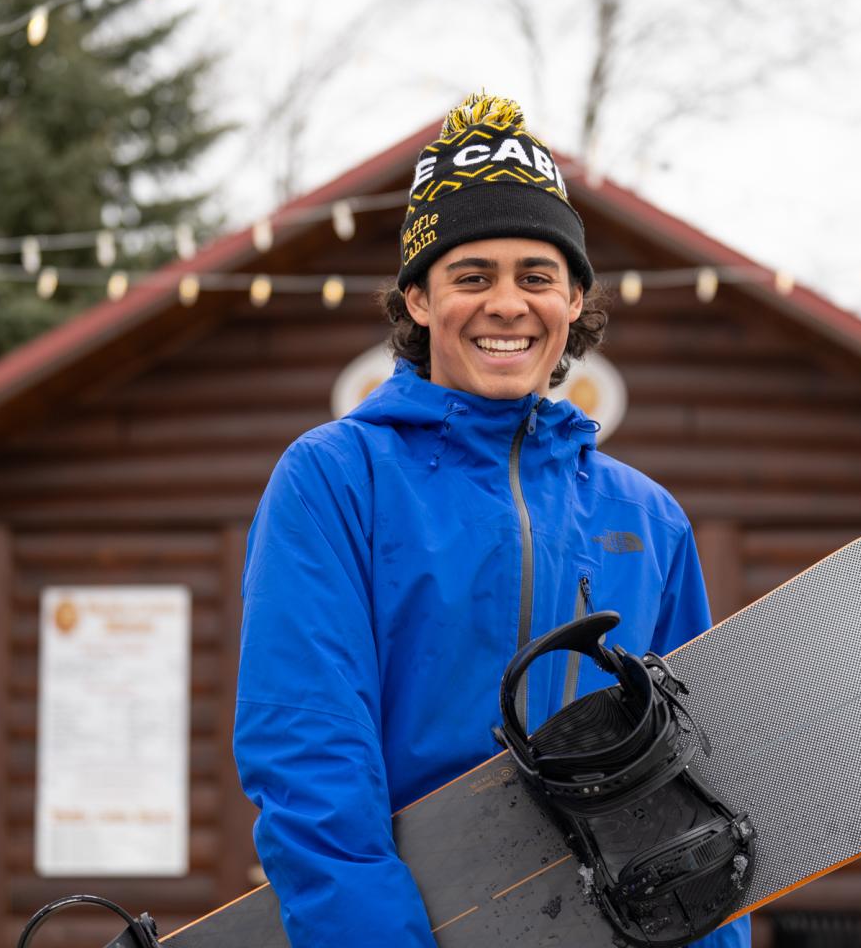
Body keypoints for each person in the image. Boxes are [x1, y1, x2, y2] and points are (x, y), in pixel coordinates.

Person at [233, 93, 752, 948]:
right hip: (414, 920)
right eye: (471, 277)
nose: (507, 304)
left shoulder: (647, 518)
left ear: (576, 299)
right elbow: (307, 747)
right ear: (419, 301)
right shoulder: (335, 480)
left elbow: (693, 771)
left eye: (536, 277)